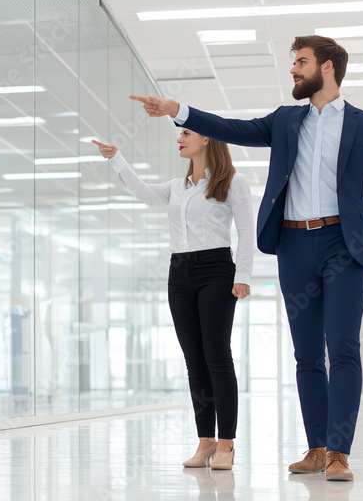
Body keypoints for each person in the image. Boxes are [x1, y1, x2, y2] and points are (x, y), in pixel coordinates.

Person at [129, 35, 363, 482]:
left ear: (328, 67)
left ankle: (340, 452)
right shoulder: (284, 121)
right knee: (306, 353)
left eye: (301, 62)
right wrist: (178, 109)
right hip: (294, 245)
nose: (293, 71)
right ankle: (316, 448)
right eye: (292, 63)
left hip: (344, 245)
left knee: (344, 347)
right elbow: (232, 128)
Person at [91, 128, 255, 472]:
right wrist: (116, 158)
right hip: (179, 272)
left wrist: (243, 277)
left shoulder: (232, 182)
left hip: (216, 269)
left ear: (207, 138)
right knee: (194, 362)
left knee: (217, 357)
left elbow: (246, 232)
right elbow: (144, 192)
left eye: (186, 133)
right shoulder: (178, 187)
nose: (179, 139)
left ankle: (226, 443)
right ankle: (205, 441)